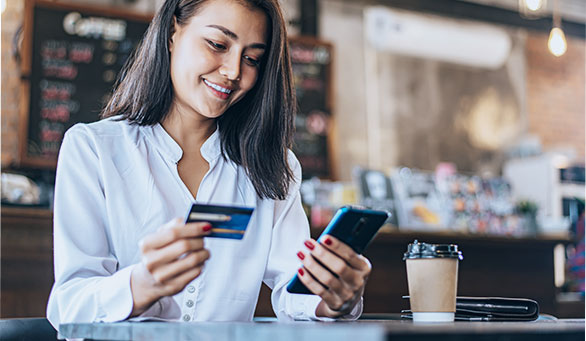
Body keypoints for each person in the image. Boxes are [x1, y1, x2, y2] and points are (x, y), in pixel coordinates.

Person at [46, 0, 371, 329]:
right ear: (173, 32)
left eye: (252, 59)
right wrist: (140, 284)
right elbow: (69, 304)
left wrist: (332, 300)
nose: (233, 72)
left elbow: (293, 290)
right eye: (217, 45)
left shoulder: (273, 165)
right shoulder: (94, 149)